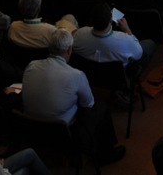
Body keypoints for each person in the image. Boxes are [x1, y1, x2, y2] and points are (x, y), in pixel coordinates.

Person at [20, 28, 125, 164]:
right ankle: (106, 154)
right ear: (69, 50)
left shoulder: (31, 66)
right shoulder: (76, 75)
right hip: (61, 131)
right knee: (101, 109)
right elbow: (88, 104)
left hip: (31, 128)